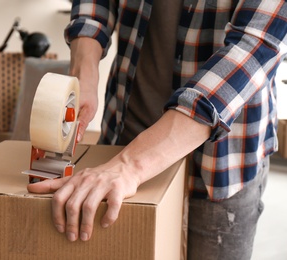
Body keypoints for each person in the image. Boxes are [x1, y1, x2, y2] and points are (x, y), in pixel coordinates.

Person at [28, 0, 287, 259]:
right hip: (124, 135)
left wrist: (130, 164)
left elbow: (253, 49)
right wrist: (84, 70)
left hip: (221, 163)